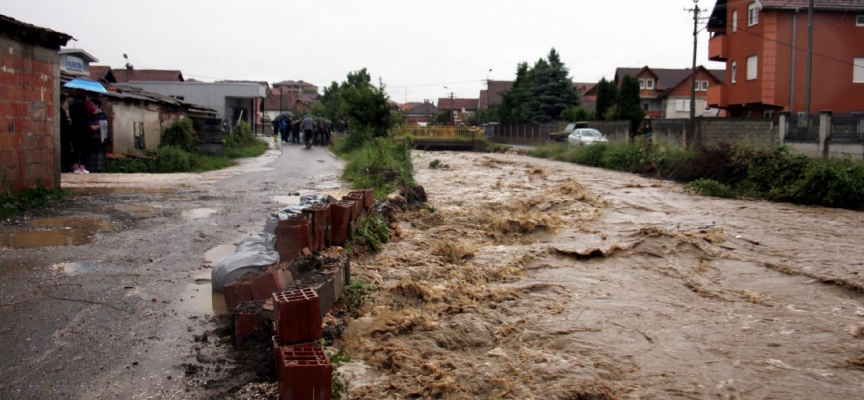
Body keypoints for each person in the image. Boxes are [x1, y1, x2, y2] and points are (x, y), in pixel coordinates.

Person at [68, 90, 97, 173]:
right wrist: (88, 101)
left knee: (76, 148)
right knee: (84, 148)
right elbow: (93, 110)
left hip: (74, 127)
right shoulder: (85, 103)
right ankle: (82, 167)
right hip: (84, 128)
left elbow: (71, 115)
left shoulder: (72, 103)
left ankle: (76, 167)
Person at [86, 99, 108, 173]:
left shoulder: (102, 114)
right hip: (90, 139)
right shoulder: (89, 114)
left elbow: (103, 125)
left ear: (97, 105)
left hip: (100, 139)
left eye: (93, 104)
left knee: (99, 154)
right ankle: (91, 169)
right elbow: (89, 125)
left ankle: (99, 169)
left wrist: (95, 126)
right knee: (91, 154)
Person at [59, 94, 75, 173]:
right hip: (63, 134)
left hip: (62, 134)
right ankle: (64, 167)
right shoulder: (61, 111)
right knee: (64, 151)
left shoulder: (60, 110)